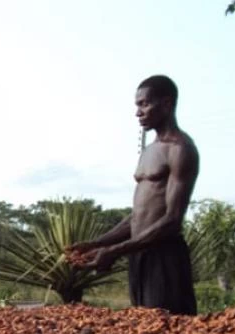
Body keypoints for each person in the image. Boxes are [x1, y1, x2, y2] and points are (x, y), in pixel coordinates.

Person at [67, 74, 199, 315]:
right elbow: (139, 216)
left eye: (144, 104)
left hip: (164, 257)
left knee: (170, 330)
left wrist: (115, 251)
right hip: (139, 257)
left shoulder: (181, 149)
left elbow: (172, 220)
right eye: (137, 105)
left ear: (167, 104)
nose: (138, 112)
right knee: (144, 327)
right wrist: (98, 244)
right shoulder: (149, 150)